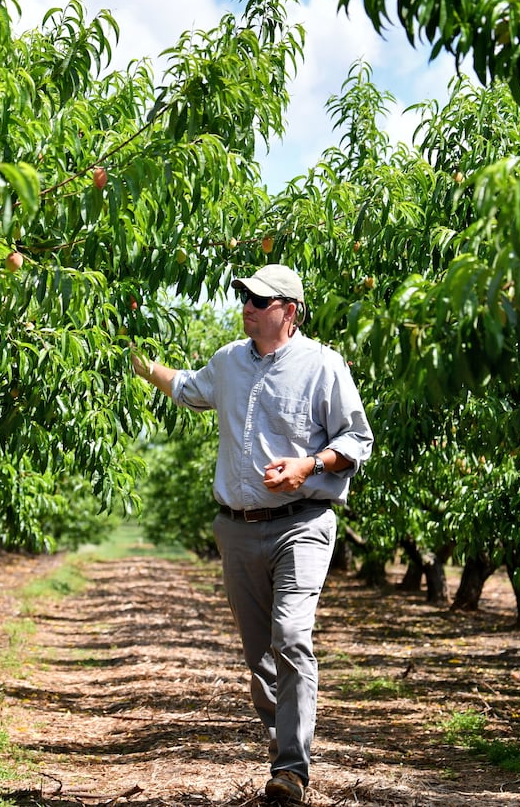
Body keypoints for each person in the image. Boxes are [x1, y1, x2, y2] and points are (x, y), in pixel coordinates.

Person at [131, 264, 373, 805]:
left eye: (260, 301)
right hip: (237, 529)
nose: (247, 307)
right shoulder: (228, 362)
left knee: (291, 636)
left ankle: (293, 768)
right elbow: (188, 389)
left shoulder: (322, 365)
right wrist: (139, 362)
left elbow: (357, 439)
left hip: (303, 523)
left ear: (289, 311)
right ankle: (280, 743)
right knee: (259, 654)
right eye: (244, 298)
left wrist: (308, 465)